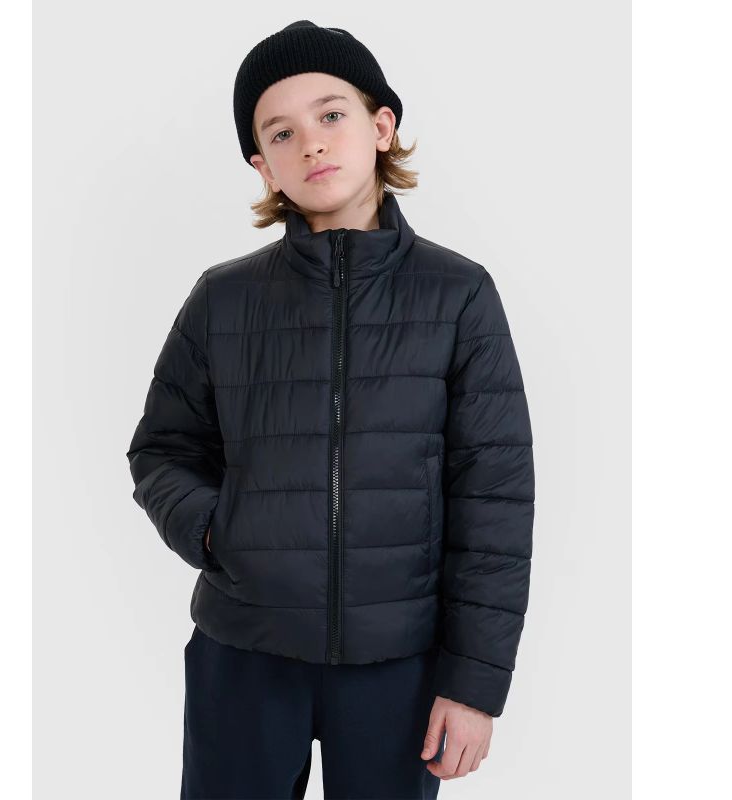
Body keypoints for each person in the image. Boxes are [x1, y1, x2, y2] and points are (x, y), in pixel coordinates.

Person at [126, 20, 535, 800]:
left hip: (399, 667)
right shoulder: (223, 299)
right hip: (244, 653)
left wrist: (475, 684)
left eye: (331, 114)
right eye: (281, 132)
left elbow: (495, 501)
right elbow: (162, 450)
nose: (311, 142)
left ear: (382, 126)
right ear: (263, 164)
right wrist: (215, 530)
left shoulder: (459, 296)